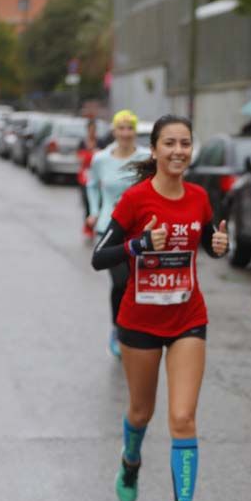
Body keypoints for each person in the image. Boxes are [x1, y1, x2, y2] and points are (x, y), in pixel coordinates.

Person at [91, 114, 228, 501]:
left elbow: (208, 240)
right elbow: (100, 256)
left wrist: (219, 246)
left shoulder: (200, 197)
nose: (177, 151)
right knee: (140, 413)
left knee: (183, 417)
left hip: (188, 318)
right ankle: (131, 460)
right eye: (169, 143)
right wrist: (139, 245)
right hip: (139, 323)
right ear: (155, 150)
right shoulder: (135, 200)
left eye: (185, 143)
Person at [87, 110, 150, 358]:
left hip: (141, 229)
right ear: (114, 131)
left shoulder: (146, 158)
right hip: (109, 227)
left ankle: (137, 329)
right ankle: (117, 328)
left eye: (130, 128)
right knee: (121, 281)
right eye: (121, 128)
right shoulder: (101, 159)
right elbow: (91, 185)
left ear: (135, 132)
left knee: (139, 284)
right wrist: (93, 211)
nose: (125, 133)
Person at [78, 119, 100, 240]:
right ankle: (88, 226)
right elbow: (80, 158)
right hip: (85, 177)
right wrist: (90, 154)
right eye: (90, 129)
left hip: (97, 175)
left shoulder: (100, 141)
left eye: (94, 129)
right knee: (87, 201)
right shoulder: (83, 142)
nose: (92, 131)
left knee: (97, 202)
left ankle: (96, 225)